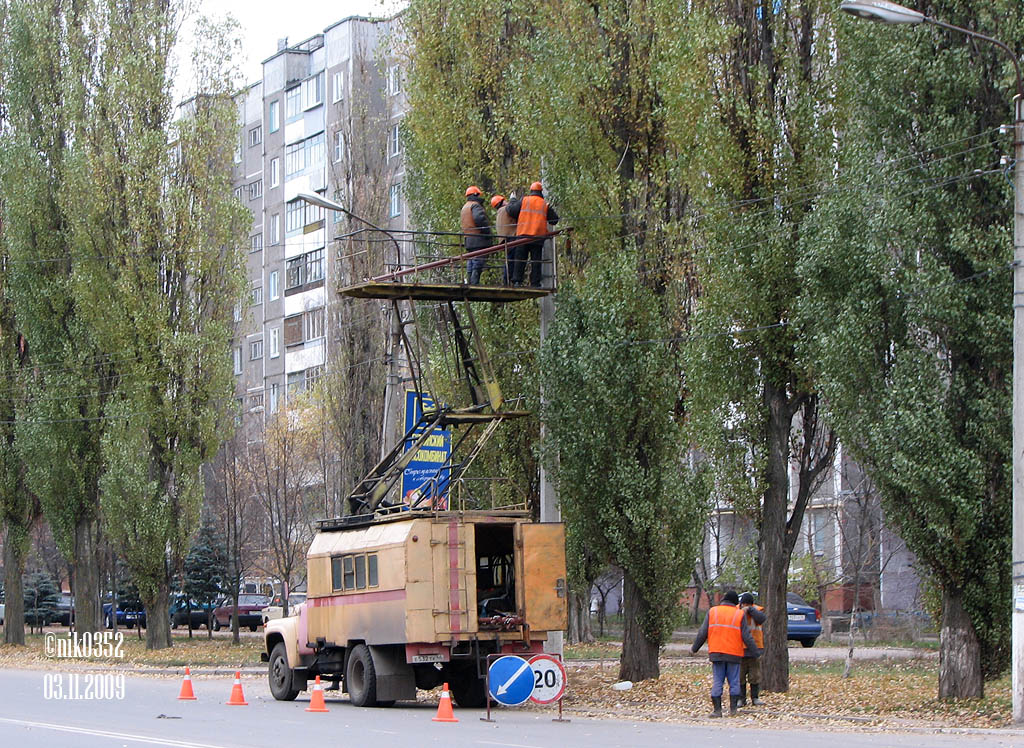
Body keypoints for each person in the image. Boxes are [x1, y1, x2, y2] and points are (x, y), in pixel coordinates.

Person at [690, 589, 757, 717]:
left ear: (723, 600)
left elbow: (702, 633)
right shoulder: (739, 614)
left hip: (717, 653)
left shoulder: (713, 611)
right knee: (734, 682)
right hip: (734, 654)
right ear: (735, 602)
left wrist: (694, 648)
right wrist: (755, 652)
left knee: (718, 681)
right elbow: (746, 636)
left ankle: (717, 710)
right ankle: (733, 710)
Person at [505, 181, 558, 287]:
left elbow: (511, 211)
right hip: (537, 238)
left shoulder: (525, 200)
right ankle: (535, 283)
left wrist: (512, 200)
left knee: (520, 259)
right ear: (541, 192)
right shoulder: (544, 204)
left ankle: (517, 281)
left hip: (522, 235)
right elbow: (554, 220)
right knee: (536, 262)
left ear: (531, 191)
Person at [738, 592, 766, 706]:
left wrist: (750, 610)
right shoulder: (736, 611)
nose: (745, 606)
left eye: (748, 604)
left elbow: (761, 619)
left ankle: (755, 697)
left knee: (755, 676)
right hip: (740, 649)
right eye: (744, 604)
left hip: (755, 649)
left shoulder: (757, 610)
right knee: (740, 676)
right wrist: (742, 611)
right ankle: (741, 699)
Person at [461, 185, 492, 285]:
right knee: (478, 261)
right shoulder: (475, 205)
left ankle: (470, 281)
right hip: (478, 238)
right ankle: (474, 282)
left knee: (471, 260)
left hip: (468, 239)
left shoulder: (465, 207)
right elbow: (479, 219)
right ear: (476, 195)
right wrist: (487, 231)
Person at [491, 194, 515, 284]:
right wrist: (513, 200)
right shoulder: (506, 210)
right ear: (502, 202)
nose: (507, 202)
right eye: (505, 200)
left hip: (504, 240)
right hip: (511, 238)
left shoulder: (499, 213)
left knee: (509, 260)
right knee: (513, 260)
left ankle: (507, 280)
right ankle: (509, 280)